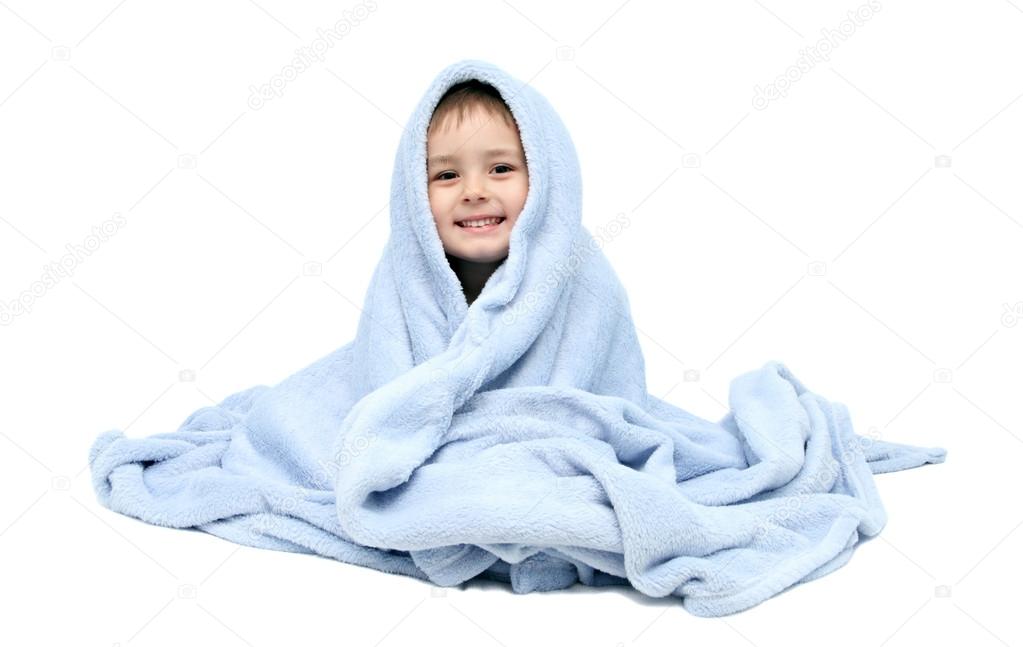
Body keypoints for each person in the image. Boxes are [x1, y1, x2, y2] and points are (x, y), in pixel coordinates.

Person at [426, 80, 528, 306]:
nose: (474, 192)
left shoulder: (588, 293)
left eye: (500, 169)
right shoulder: (393, 303)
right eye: (448, 175)